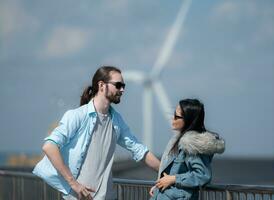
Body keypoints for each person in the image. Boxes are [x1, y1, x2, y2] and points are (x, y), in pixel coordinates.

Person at [33, 66, 160, 200]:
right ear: (101, 85)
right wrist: (73, 184)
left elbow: (140, 150)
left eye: (123, 85)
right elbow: (49, 146)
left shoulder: (116, 121)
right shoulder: (77, 116)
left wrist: (165, 175)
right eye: (118, 85)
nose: (122, 89)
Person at [149, 99, 225, 200]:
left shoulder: (192, 145)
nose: (173, 118)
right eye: (173, 114)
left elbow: (202, 175)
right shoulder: (178, 140)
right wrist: (159, 186)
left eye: (177, 116)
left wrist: (173, 179)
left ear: (188, 119)